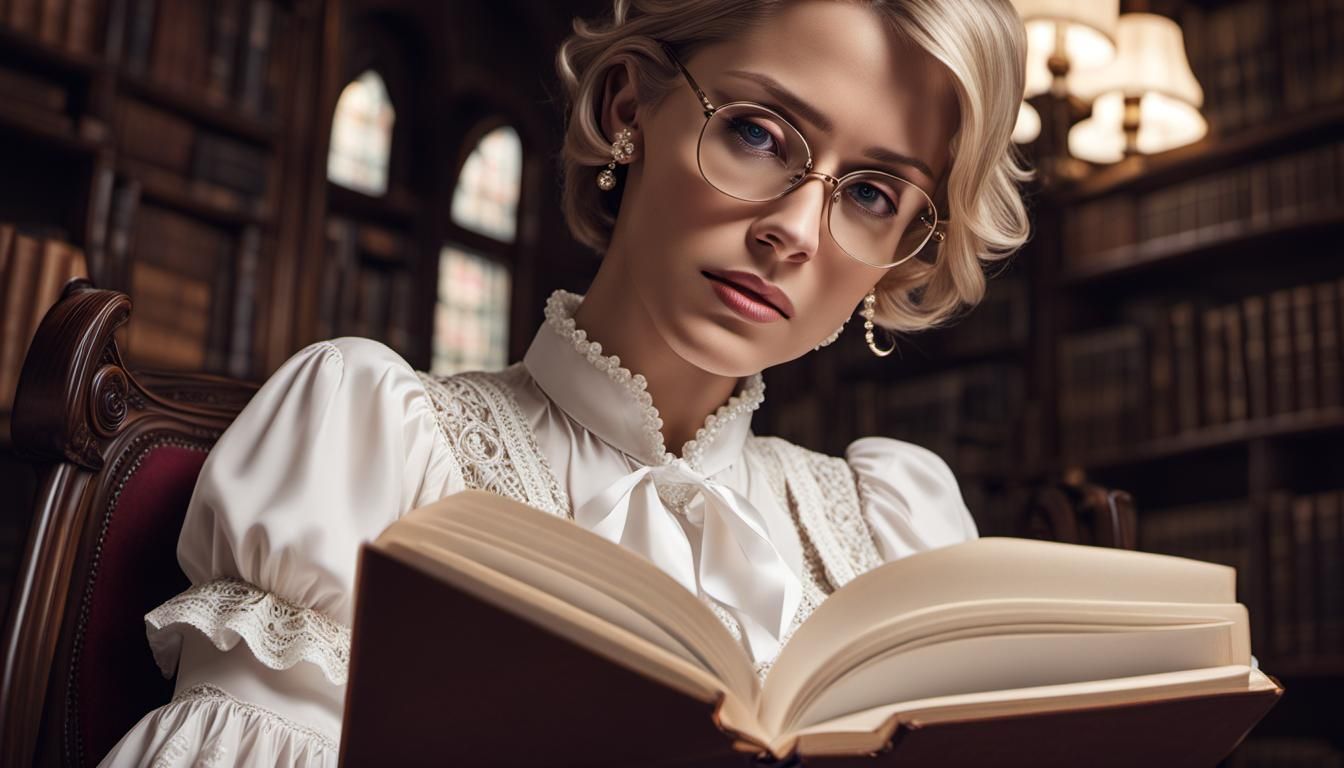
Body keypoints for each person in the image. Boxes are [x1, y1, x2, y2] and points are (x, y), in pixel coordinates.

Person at [101, 0, 1029, 764]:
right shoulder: (373, 446)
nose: (794, 229)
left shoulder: (896, 533)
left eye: (871, 194)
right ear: (629, 107)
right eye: (759, 132)